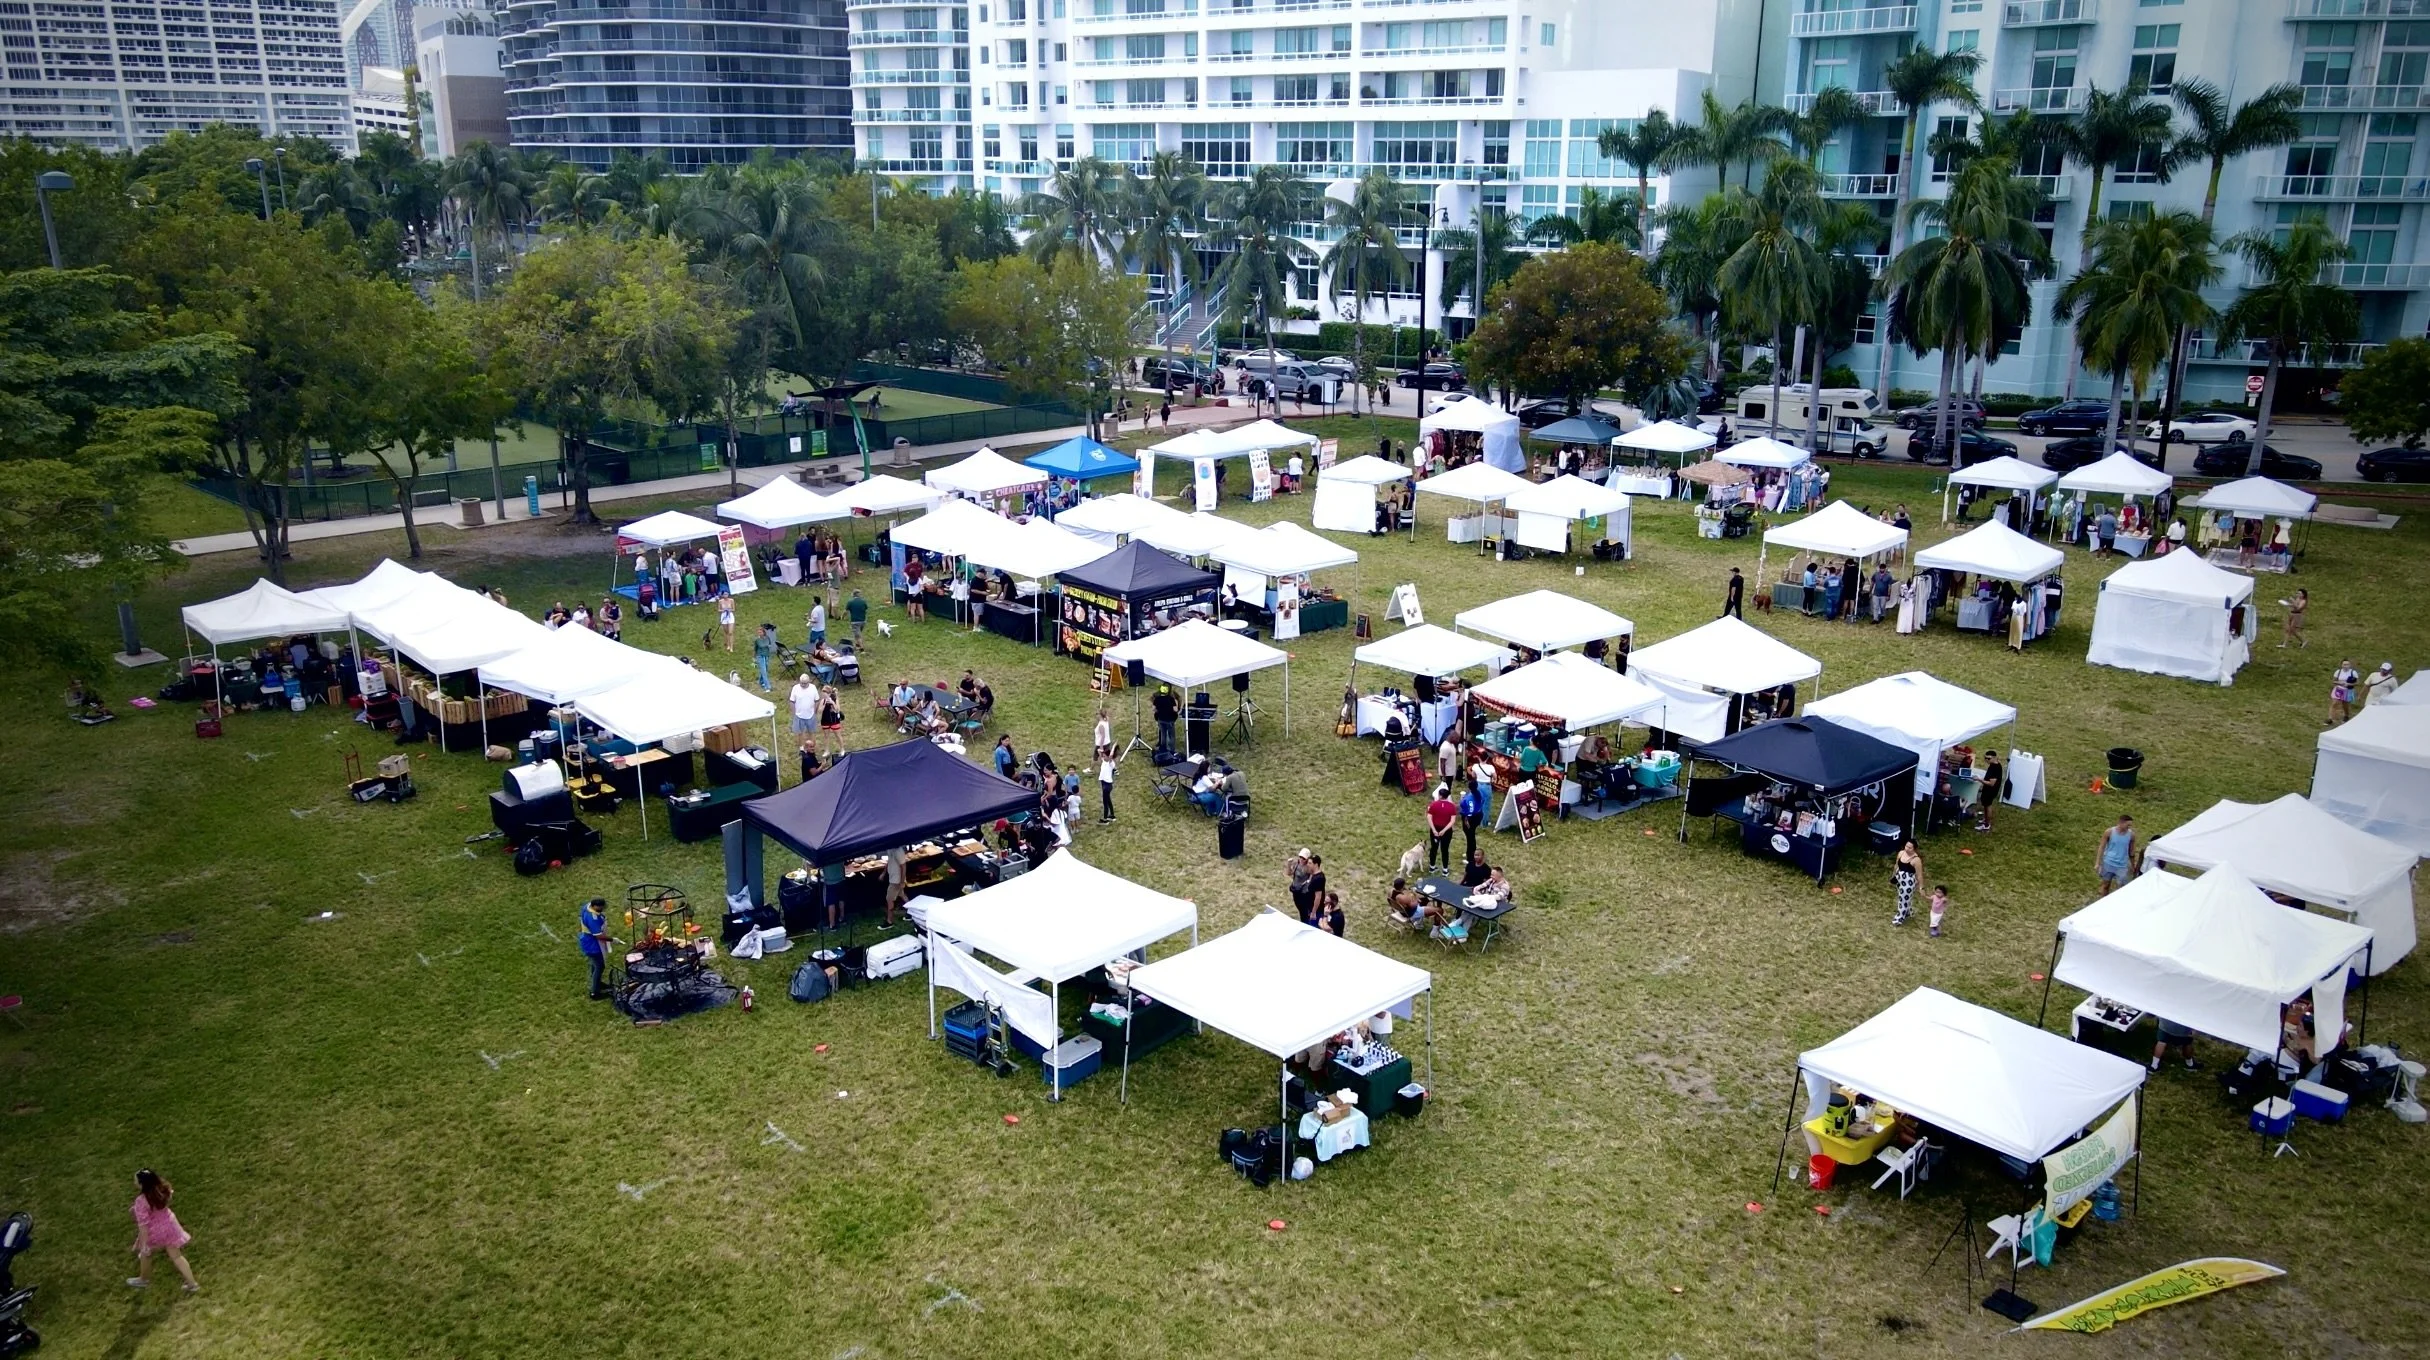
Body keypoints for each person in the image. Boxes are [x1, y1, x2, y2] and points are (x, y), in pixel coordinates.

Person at [127, 1170, 200, 1293]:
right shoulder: (163, 1190)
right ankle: (193, 1284)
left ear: (141, 1184)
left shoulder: (141, 1201)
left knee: (146, 1253)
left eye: (136, 1180)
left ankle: (143, 1279)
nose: (134, 1182)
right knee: (177, 1256)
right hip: (171, 1226)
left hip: (155, 1231)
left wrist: (144, 1244)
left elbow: (143, 1226)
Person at [578, 895, 610, 1000]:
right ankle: (595, 992)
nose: (602, 909)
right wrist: (612, 940)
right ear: (595, 906)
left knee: (595, 964)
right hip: (593, 944)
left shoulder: (588, 906)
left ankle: (598, 984)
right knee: (600, 966)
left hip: (587, 941)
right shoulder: (593, 918)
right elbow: (598, 936)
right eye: (600, 907)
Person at [2096, 814, 2136, 896]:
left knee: (2122, 887)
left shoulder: (2131, 835)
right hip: (2108, 863)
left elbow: (2131, 851)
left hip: (2122, 865)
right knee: (2106, 885)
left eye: (2130, 826)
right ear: (2121, 822)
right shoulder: (2109, 832)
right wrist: (2097, 863)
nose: (2129, 827)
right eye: (2127, 825)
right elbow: (2101, 847)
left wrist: (2133, 865)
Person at [1425, 783, 1457, 870]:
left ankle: (1432, 867)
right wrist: (1444, 830)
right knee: (1445, 849)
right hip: (1446, 831)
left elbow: (1429, 817)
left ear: (1440, 795)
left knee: (1434, 848)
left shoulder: (1433, 805)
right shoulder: (1452, 807)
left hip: (1435, 828)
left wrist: (1434, 830)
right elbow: (1452, 820)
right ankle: (1445, 869)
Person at [1891, 841, 1922, 925]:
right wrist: (1893, 875)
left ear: (1914, 849)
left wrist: (1921, 887)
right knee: (1903, 897)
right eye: (1906, 846)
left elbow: (1919, 875)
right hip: (1899, 879)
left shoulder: (1916, 860)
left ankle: (1899, 918)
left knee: (1903, 900)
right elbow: (1896, 865)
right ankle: (1907, 912)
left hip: (1908, 882)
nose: (1907, 849)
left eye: (1910, 847)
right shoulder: (1901, 853)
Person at [1457, 781, 1485, 865]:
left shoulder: (1467, 799)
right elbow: (1482, 801)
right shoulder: (1479, 793)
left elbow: (1465, 809)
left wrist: (1466, 819)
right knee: (1471, 836)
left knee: (1470, 837)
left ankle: (1470, 857)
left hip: (1469, 819)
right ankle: (1471, 852)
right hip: (1478, 815)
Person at [1977, 749, 2004, 831]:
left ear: (1995, 758)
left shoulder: (1995, 768)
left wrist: (1979, 780)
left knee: (1988, 806)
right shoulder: (1994, 765)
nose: (1986, 760)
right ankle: (1985, 819)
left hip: (1990, 790)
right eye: (1985, 758)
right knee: (1985, 805)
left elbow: (1991, 783)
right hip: (1988, 789)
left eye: (1989, 758)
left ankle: (1986, 825)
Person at [2330, 658, 2360, 726]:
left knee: (2345, 704)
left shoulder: (2353, 672)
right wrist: (2340, 683)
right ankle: (2330, 718)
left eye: (2347, 664)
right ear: (2341, 665)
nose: (2345, 666)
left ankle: (2346, 715)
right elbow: (2334, 681)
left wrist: (2349, 684)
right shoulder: (2338, 672)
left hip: (2348, 690)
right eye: (2344, 664)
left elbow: (2358, 682)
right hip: (2339, 689)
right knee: (2334, 703)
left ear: (2350, 665)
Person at [1286, 849, 1316, 919]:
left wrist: (1308, 882)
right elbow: (1289, 873)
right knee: (1300, 908)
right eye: (1300, 857)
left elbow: (1312, 875)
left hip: (1303, 893)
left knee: (1304, 911)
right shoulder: (1296, 864)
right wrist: (1289, 864)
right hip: (1295, 890)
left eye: (1304, 858)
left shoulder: (1308, 867)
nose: (1301, 859)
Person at [790, 673, 820, 740]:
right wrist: (794, 713)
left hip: (811, 714)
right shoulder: (795, 688)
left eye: (805, 683)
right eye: (801, 683)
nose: (803, 685)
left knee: (811, 732)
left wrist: (815, 711)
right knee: (800, 733)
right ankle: (802, 748)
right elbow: (792, 701)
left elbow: (817, 700)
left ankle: (811, 748)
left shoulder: (813, 688)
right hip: (799, 715)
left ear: (808, 682)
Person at [819, 686, 847, 758]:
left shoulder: (835, 699)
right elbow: (819, 711)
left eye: (825, 692)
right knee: (826, 736)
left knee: (838, 735)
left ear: (829, 693)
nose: (824, 694)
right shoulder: (823, 700)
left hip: (834, 720)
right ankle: (827, 750)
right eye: (823, 692)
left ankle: (842, 749)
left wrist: (832, 703)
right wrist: (824, 704)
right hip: (825, 720)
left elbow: (838, 710)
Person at [1153, 686, 1180, 753]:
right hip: (1170, 720)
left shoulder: (1157, 699)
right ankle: (1172, 750)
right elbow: (1175, 710)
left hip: (1161, 719)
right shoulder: (1171, 699)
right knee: (1171, 736)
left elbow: (1153, 709)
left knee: (1163, 735)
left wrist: (1159, 710)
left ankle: (1163, 750)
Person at [883, 846, 906, 925]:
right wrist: (883, 873)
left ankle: (889, 921)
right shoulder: (890, 848)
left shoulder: (898, 851)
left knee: (889, 899)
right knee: (902, 895)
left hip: (896, 880)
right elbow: (889, 860)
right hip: (893, 878)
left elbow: (903, 866)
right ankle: (912, 913)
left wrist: (902, 882)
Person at [1097, 745, 1119, 824]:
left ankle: (1105, 819)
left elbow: (1111, 755)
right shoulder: (1104, 761)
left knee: (1105, 801)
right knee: (1108, 800)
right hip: (1104, 783)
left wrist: (1113, 747)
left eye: (1105, 756)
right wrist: (1101, 751)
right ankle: (1112, 815)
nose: (1103, 757)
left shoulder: (1110, 763)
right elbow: (1099, 751)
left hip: (1107, 785)